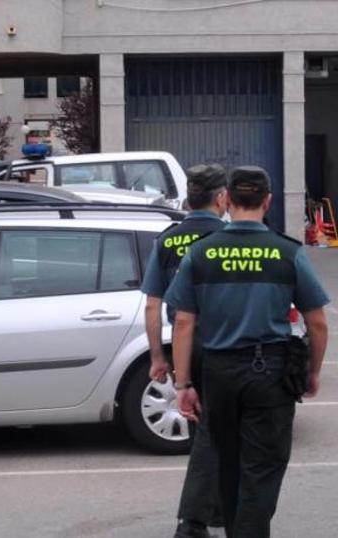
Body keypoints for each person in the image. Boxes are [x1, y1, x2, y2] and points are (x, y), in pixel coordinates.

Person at [166, 166, 330, 538]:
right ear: (268, 200)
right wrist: (314, 372)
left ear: (228, 200)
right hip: (269, 373)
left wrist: (184, 383)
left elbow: (183, 323)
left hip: (219, 372)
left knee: (226, 462)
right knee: (263, 467)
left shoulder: (200, 252)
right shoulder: (286, 251)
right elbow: (317, 322)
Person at [139, 164, 229, 538]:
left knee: (200, 431)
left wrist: (159, 359)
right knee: (224, 432)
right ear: (221, 198)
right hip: (226, 346)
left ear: (188, 199)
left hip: (185, 348)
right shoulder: (228, 238)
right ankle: (197, 519)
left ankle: (212, 511)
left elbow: (151, 306)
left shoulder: (168, 239)